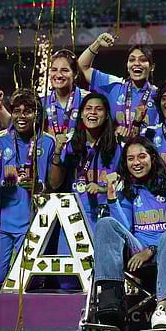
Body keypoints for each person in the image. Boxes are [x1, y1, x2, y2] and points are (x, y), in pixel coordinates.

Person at [93, 137, 166, 329]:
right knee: (105, 223)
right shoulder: (129, 188)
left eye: (141, 156)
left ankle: (161, 310)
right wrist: (112, 196)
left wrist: (151, 250)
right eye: (130, 159)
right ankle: (111, 298)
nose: (136, 162)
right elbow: (123, 229)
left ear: (152, 157)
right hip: (137, 250)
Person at [0, 89, 55, 286]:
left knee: (30, 283)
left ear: (37, 114)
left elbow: (55, 184)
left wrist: (39, 186)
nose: (21, 116)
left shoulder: (48, 142)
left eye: (28, 111)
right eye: (17, 111)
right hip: (3, 222)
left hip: (33, 221)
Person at [49, 91, 121, 235]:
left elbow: (121, 187)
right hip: (73, 218)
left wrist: (102, 189)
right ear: (81, 114)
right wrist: (57, 152)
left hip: (104, 218)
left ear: (106, 115)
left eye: (98, 109)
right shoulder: (69, 146)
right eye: (88, 108)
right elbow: (54, 183)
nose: (93, 112)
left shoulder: (117, 149)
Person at [0, 50, 85, 143]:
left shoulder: (86, 101)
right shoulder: (41, 102)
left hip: (83, 158)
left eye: (64, 70)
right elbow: (17, 124)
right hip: (49, 158)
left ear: (75, 74)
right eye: (54, 70)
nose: (58, 75)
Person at [78, 36, 159, 136]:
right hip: (116, 151)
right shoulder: (114, 86)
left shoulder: (158, 95)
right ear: (127, 66)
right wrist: (97, 43)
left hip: (147, 150)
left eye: (143, 60)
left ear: (152, 67)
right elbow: (82, 68)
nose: (137, 63)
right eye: (132, 60)